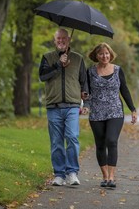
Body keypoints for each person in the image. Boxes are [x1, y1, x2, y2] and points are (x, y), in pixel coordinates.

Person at [39, 28, 88, 186]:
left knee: (72, 137)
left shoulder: (78, 59)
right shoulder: (47, 57)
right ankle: (59, 174)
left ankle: (72, 172)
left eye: (64, 39)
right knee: (56, 142)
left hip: (72, 105)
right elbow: (43, 76)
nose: (61, 41)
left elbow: (84, 82)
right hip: (53, 105)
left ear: (69, 40)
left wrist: (86, 102)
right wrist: (58, 65)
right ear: (54, 41)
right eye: (58, 39)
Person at [85, 42, 137, 188]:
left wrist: (132, 109)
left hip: (115, 111)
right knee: (100, 144)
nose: (104, 56)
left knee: (112, 141)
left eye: (106, 53)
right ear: (96, 56)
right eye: (101, 53)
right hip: (96, 113)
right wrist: (85, 104)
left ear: (110, 54)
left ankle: (112, 177)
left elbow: (124, 90)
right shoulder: (90, 72)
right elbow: (86, 92)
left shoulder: (118, 70)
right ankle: (105, 176)